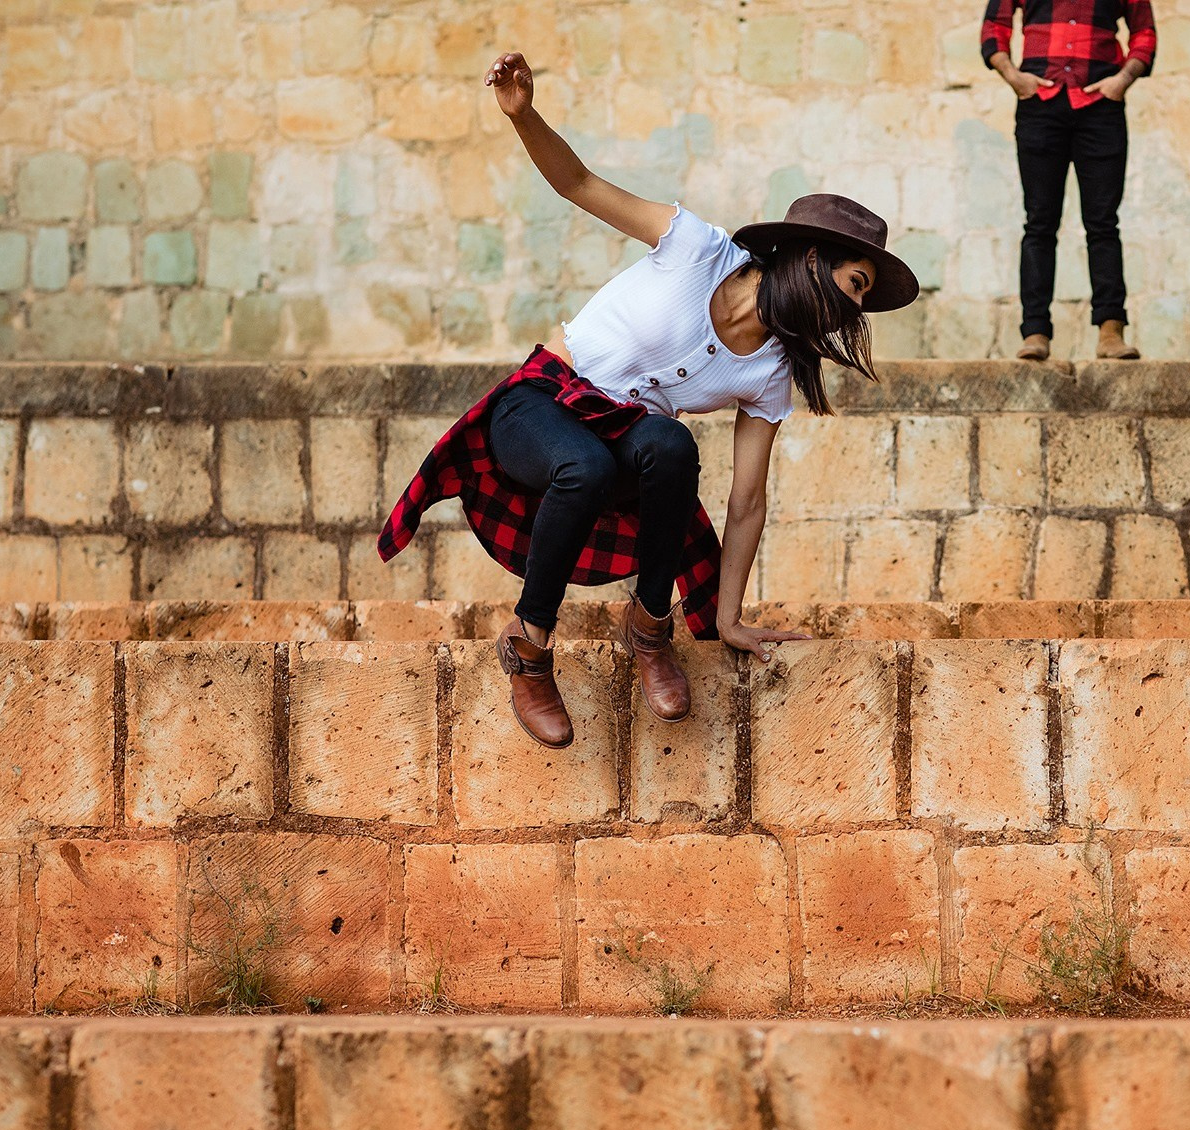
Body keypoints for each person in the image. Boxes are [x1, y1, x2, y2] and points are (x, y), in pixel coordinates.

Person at [378, 51, 920, 750]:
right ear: (811, 260)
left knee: (670, 444)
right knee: (588, 466)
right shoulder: (695, 247)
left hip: (626, 436)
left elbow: (747, 501)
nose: (855, 309)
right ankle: (531, 643)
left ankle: (649, 628)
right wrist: (523, 114)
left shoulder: (771, 374)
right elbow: (577, 182)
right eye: (855, 284)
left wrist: (727, 617)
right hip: (540, 404)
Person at [982, 0, 1156, 361]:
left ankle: (1111, 331)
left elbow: (1145, 33)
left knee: (1103, 223)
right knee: (1040, 223)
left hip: (1101, 105)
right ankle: (1035, 332)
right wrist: (1013, 76)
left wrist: (1123, 80)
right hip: (1040, 103)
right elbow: (993, 28)